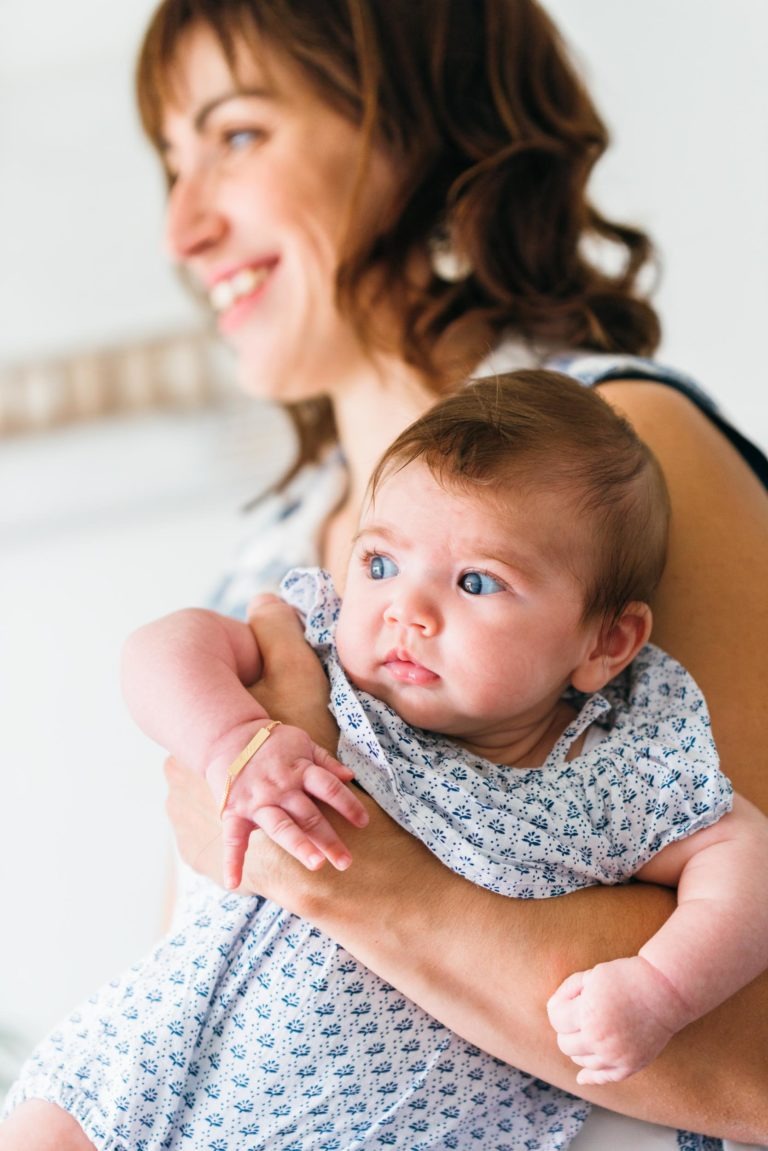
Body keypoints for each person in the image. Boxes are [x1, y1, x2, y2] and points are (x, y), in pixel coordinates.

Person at [2, 0, 768, 1147]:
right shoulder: (259, 571)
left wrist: (342, 867)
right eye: (172, 159)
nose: (182, 227)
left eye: (238, 135)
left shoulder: (619, 462)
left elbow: (752, 1055)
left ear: (419, 131)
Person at [119, 371, 768, 1097]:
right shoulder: (318, 643)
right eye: (381, 564)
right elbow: (159, 649)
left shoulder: (604, 767)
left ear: (605, 643)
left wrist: (660, 989)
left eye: (477, 582)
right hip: (175, 1049)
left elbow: (746, 859)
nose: (407, 609)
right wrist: (231, 741)